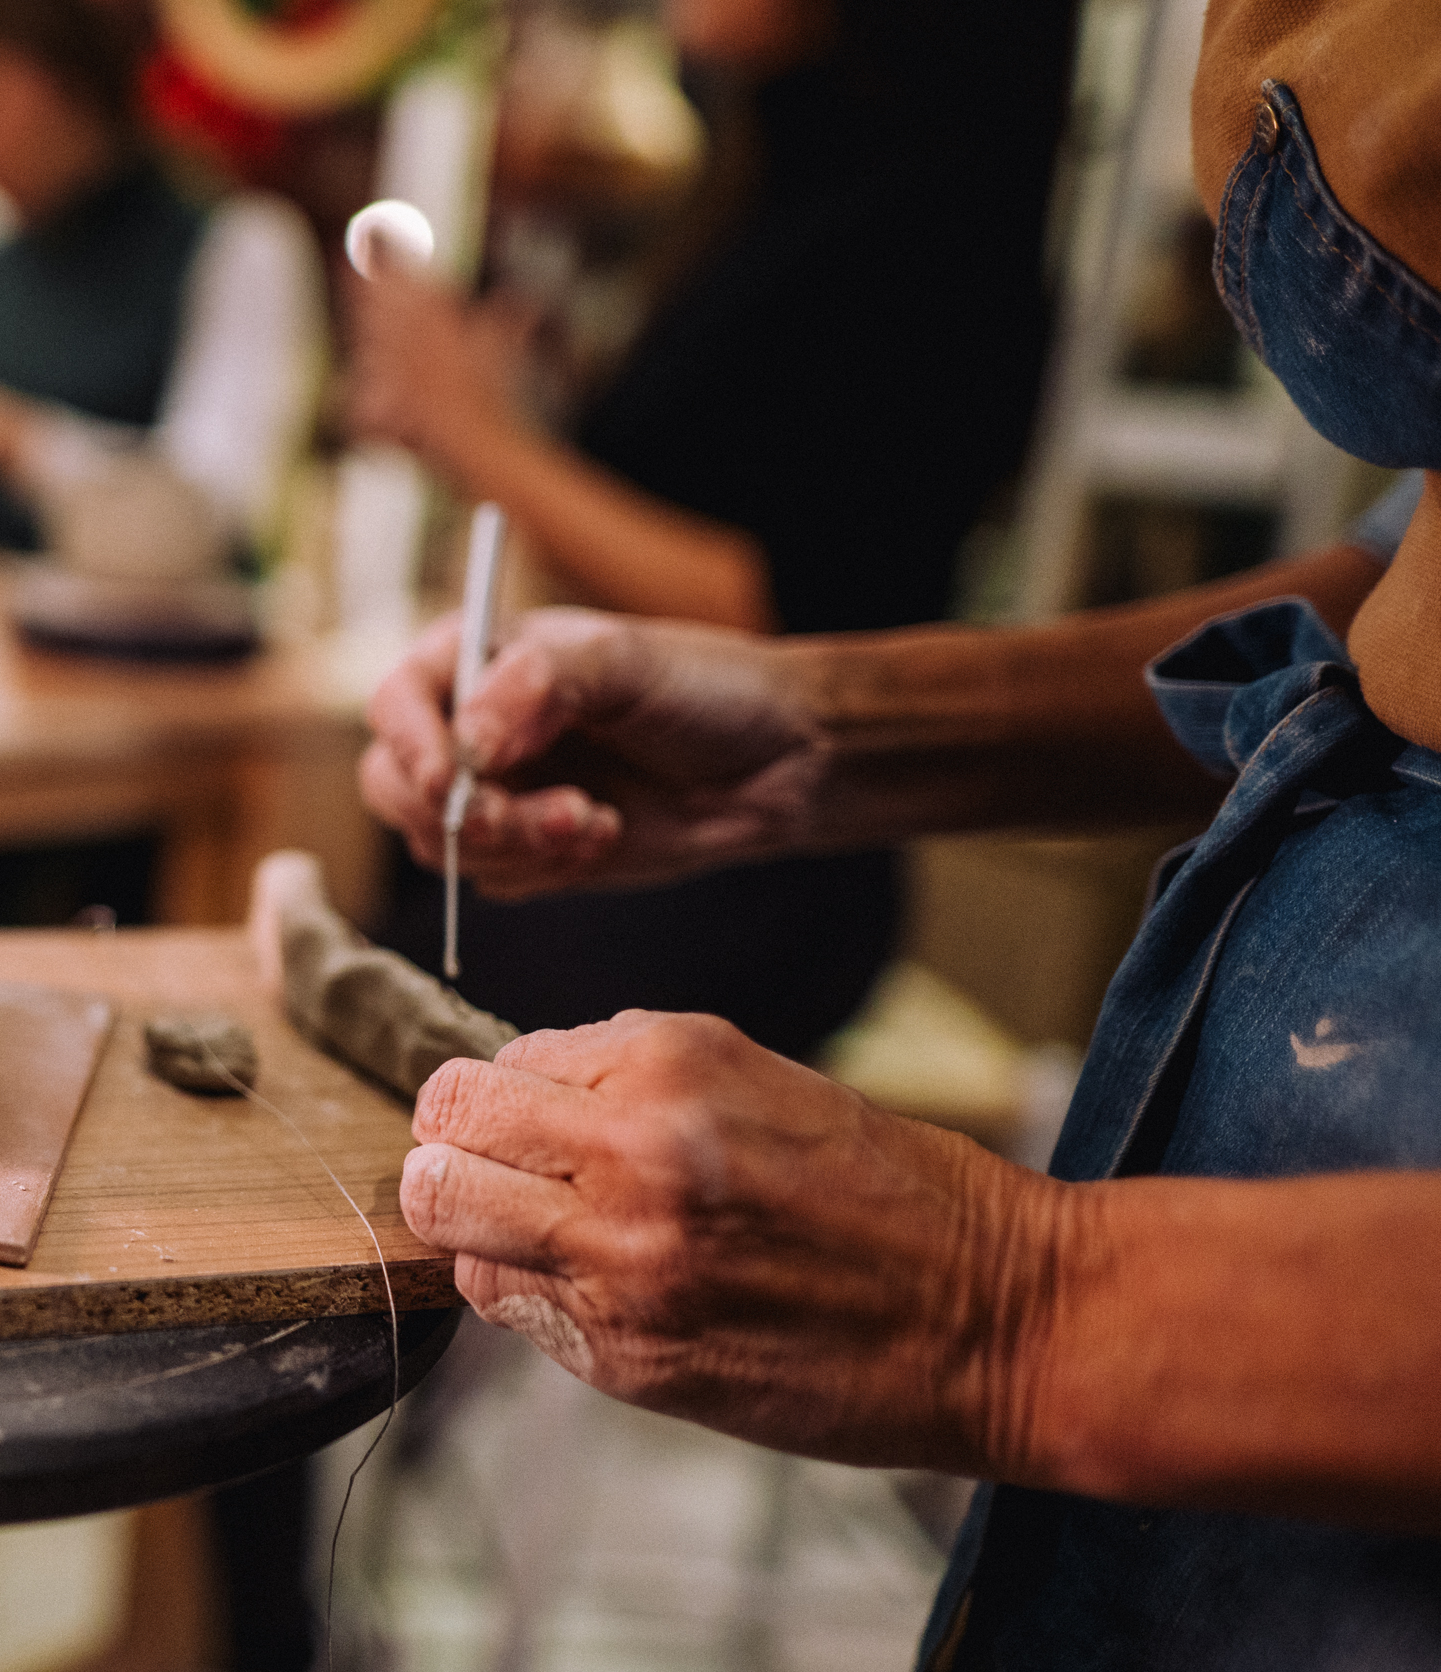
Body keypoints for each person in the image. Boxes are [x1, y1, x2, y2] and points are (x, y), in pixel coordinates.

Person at [366, 0, 1441, 1654]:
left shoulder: (923, 226)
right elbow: (1389, 594)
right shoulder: (751, 186)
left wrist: (1003, 1301)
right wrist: (824, 729)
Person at [345, 0, 1075, 1059]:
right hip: (655, 825)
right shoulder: (769, 174)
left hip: (744, 871)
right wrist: (507, 411)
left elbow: (789, 610)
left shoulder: (933, 218)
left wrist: (482, 435)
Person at [0, 0, 321, 574]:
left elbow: (218, 511)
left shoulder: (241, 244)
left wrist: (9, 437)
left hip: (161, 653)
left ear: (60, 71)